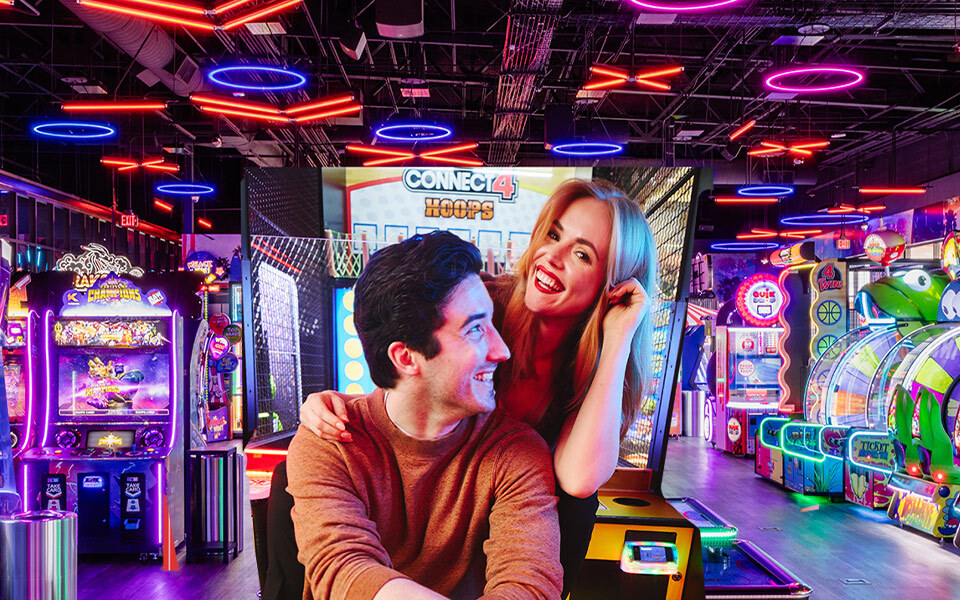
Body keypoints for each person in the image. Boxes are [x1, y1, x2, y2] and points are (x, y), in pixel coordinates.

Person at [302, 178, 657, 595]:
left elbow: (578, 482)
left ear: (612, 286)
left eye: (581, 254)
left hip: (516, 495)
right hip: (449, 487)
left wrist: (617, 339)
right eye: (553, 235)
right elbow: (410, 371)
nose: (551, 257)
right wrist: (343, 407)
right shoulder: (483, 298)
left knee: (575, 508)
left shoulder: (534, 437)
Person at [286, 231, 563, 600]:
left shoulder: (516, 451)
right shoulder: (330, 438)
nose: (502, 351)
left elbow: (530, 585)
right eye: (476, 329)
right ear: (406, 358)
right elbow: (344, 568)